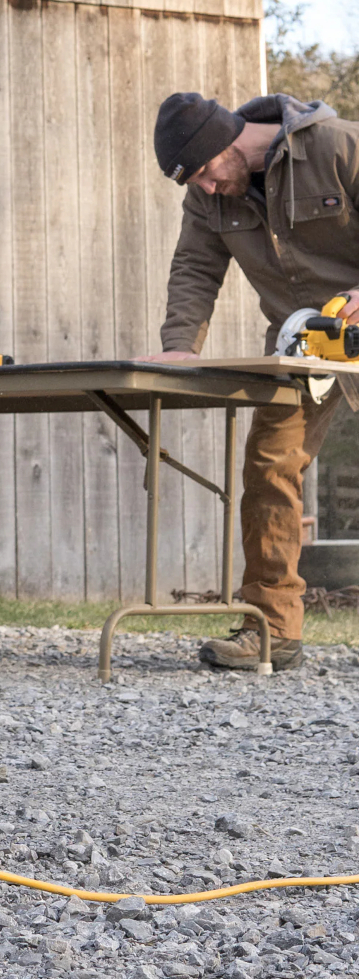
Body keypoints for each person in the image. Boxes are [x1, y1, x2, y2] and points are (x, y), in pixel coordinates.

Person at [141, 92, 359, 671]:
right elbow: (194, 268)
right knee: (269, 470)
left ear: (228, 142)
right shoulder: (205, 197)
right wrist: (179, 347)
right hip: (298, 342)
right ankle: (272, 629)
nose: (208, 188)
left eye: (209, 173)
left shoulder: (337, 147)